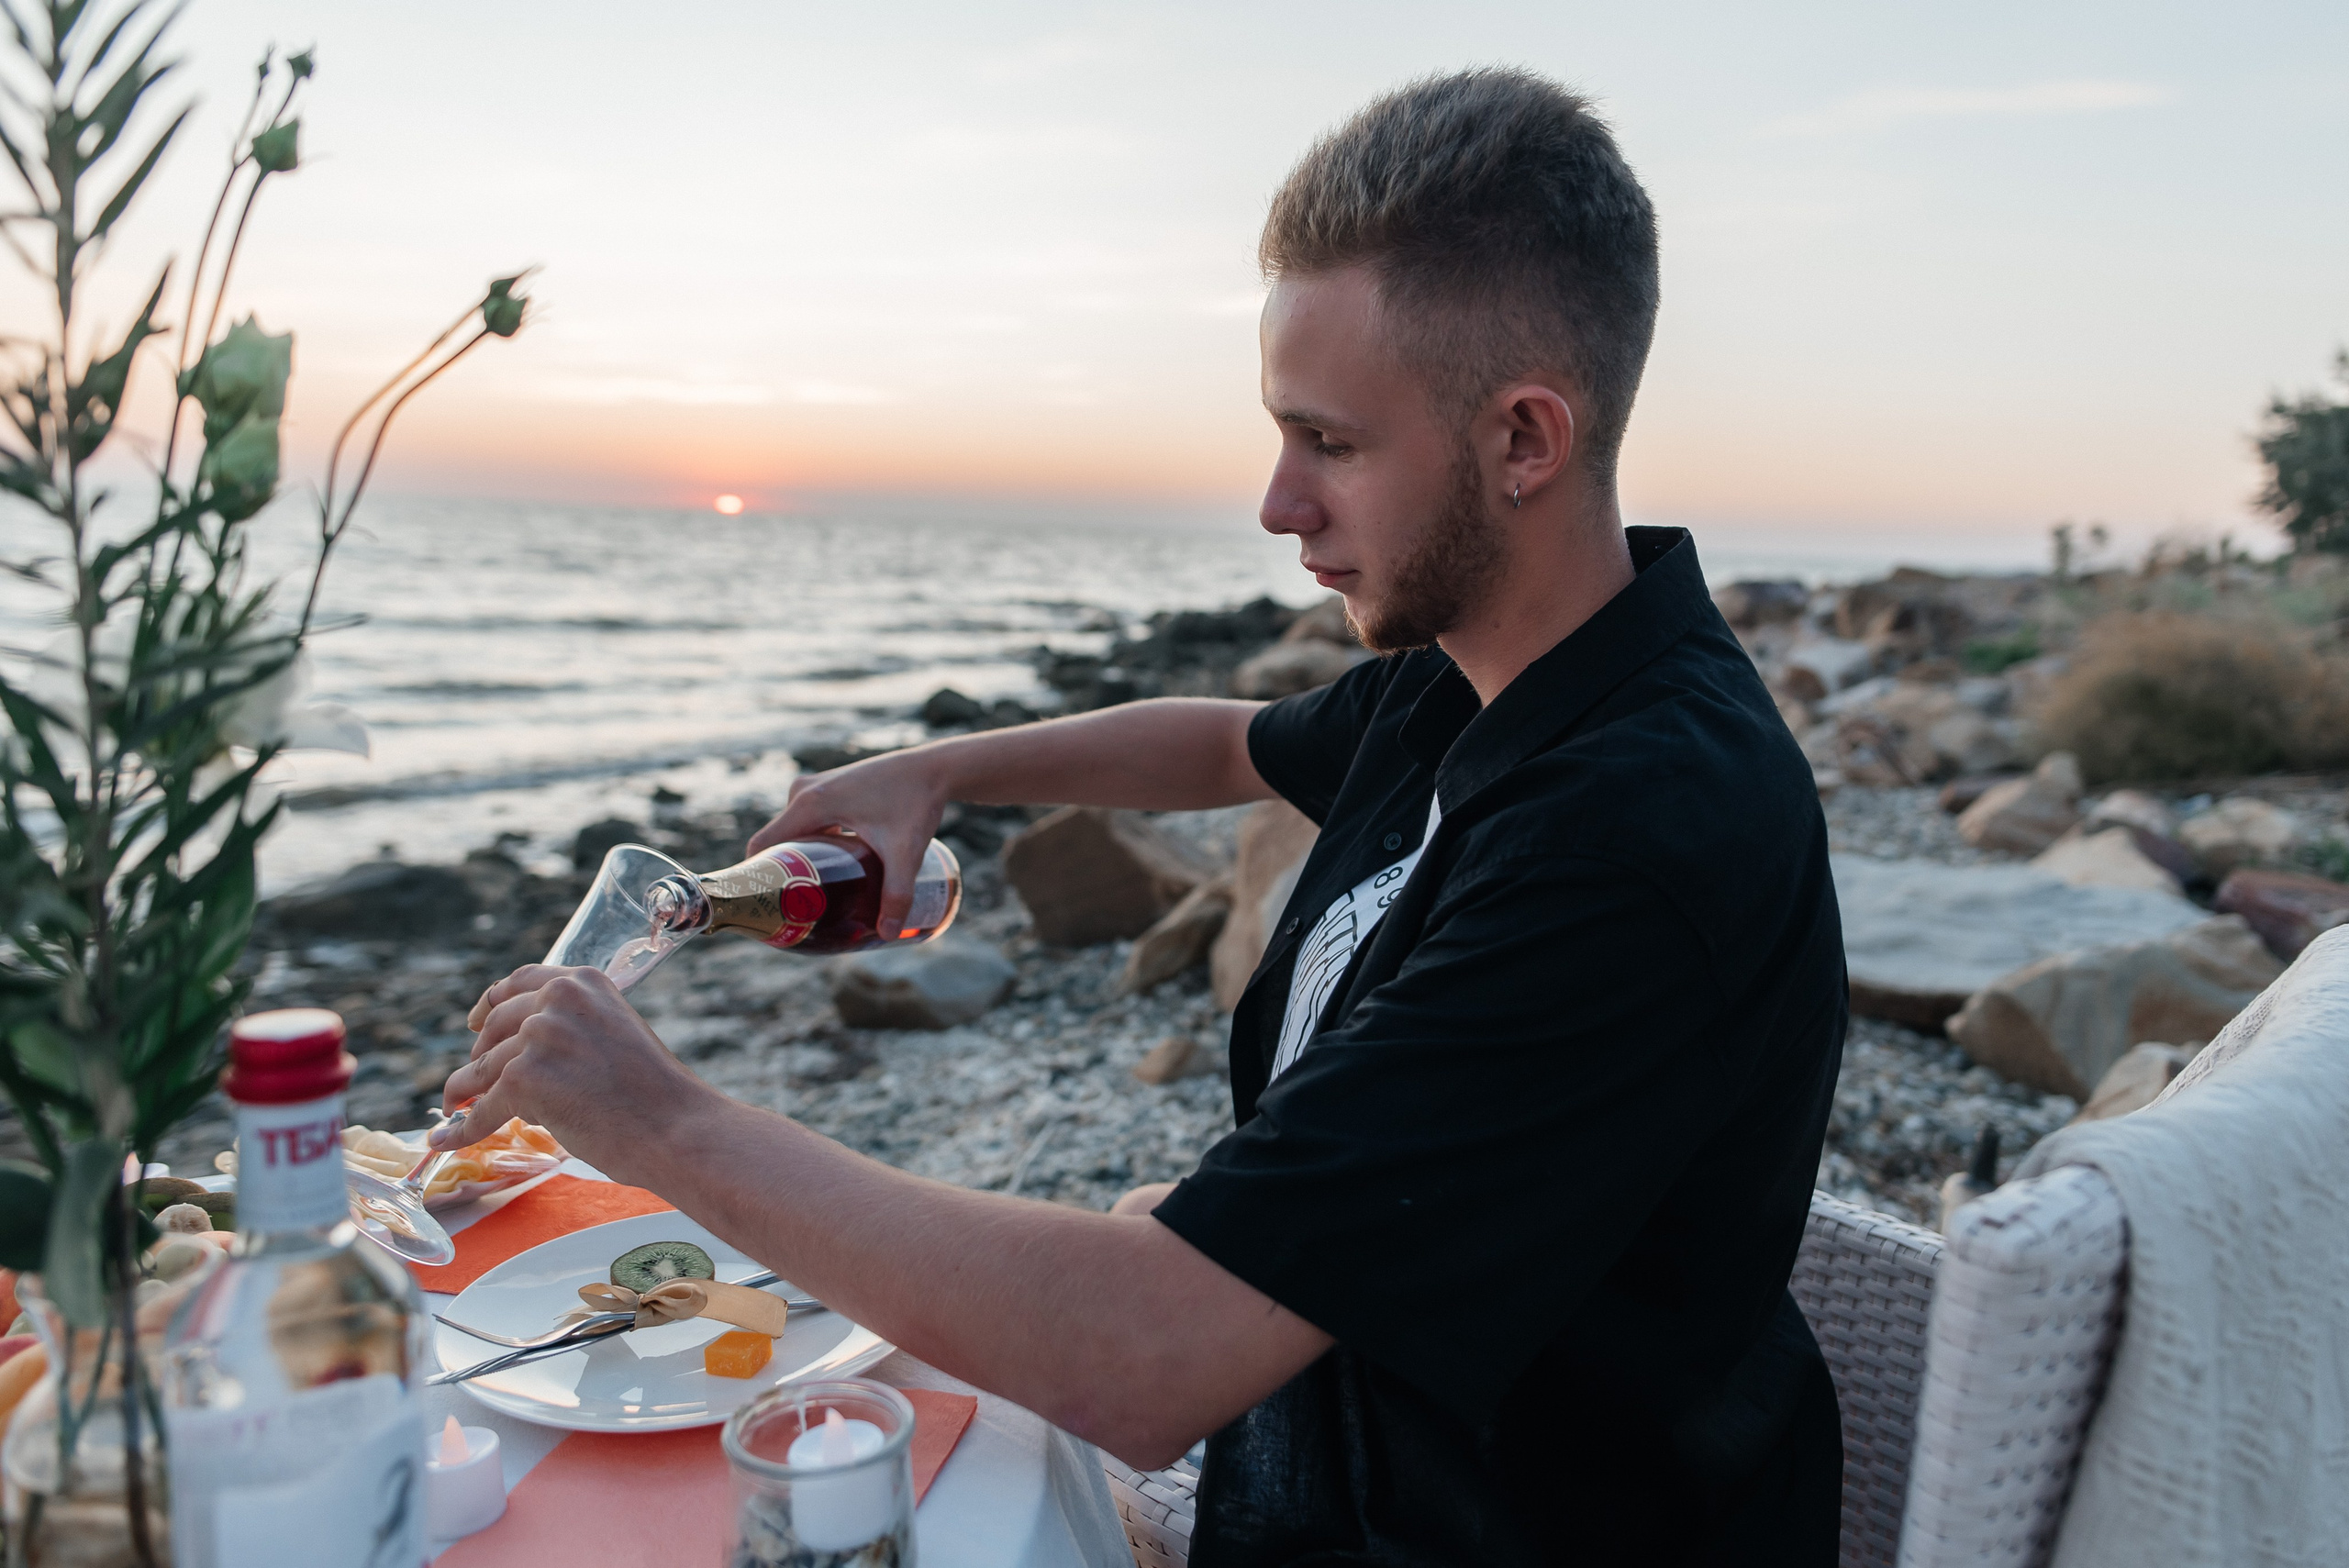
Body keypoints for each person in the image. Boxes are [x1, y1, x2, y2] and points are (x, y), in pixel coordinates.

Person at [436, 66, 1846, 1566]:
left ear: (1523, 441)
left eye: (1333, 443)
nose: (1278, 501)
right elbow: (1227, 743)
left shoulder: (1634, 835)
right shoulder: (1484, 678)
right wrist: (947, 769)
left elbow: (1147, 1358)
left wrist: (660, 1116)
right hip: (1326, 1464)